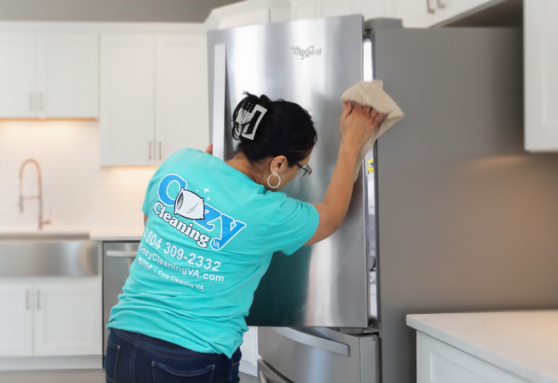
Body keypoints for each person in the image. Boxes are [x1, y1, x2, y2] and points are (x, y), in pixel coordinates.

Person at [104, 93, 386, 383]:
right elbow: (330, 217)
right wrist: (351, 144)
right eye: (300, 169)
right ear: (278, 164)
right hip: (190, 358)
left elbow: (152, 222)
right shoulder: (267, 212)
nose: (296, 176)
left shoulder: (181, 161)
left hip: (122, 342)